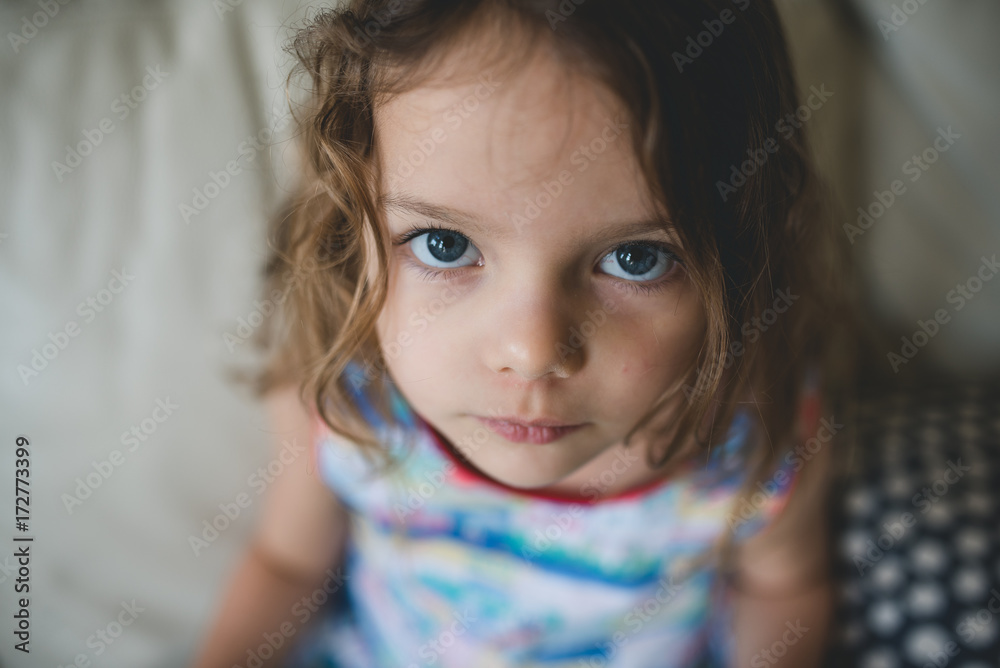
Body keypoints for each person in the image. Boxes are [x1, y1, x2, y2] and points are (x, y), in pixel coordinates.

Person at [191, 0, 855, 666]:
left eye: (636, 258)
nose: (532, 353)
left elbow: (783, 590)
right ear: (348, 227)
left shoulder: (753, 441)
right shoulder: (350, 402)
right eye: (444, 245)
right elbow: (289, 564)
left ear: (742, 259)